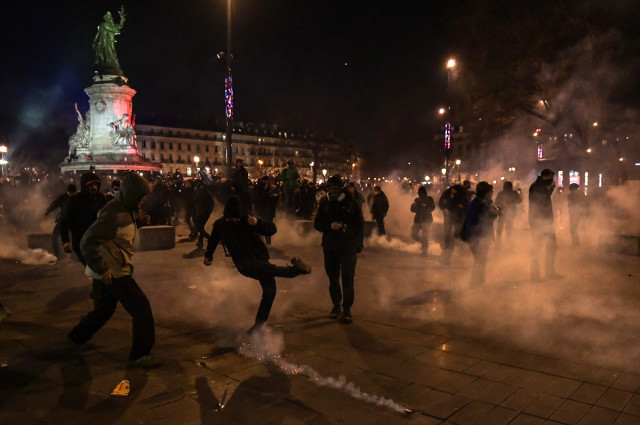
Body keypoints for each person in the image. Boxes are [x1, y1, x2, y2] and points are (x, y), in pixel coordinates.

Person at [69, 172, 158, 368]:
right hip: (114, 271)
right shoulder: (113, 213)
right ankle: (140, 354)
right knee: (141, 307)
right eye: (142, 197)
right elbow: (87, 241)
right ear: (133, 194)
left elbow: (118, 235)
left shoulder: (124, 210)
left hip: (113, 268)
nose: (144, 201)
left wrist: (139, 224)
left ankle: (76, 336)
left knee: (104, 310)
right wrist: (102, 268)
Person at [204, 196, 311, 332]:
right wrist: (209, 255)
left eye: (236, 218)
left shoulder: (248, 220)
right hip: (244, 263)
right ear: (226, 215)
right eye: (231, 218)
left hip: (259, 257)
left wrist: (258, 224)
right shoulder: (220, 225)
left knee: (270, 290)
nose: (234, 220)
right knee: (270, 270)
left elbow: (272, 229)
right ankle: (297, 271)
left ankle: (259, 324)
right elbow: (213, 240)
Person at [314, 175, 364, 324]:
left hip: (348, 247)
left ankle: (347, 307)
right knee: (333, 278)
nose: (333, 191)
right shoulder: (324, 203)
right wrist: (330, 226)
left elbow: (359, 226)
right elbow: (317, 223)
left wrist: (358, 246)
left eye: (335, 188)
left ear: (341, 189)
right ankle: (336, 305)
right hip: (330, 247)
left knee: (348, 278)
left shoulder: (352, 203)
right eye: (330, 188)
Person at [60, 172, 108, 266]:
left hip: (99, 241)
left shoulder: (101, 198)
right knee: (98, 270)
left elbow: (108, 217)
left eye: (95, 184)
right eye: (90, 185)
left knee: (103, 273)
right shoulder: (75, 200)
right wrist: (65, 241)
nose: (93, 187)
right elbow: (65, 221)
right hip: (82, 242)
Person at [461, 182, 501, 287]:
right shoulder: (474, 204)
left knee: (481, 260)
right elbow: (475, 219)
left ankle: (478, 282)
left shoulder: (488, 202)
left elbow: (491, 217)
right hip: (476, 237)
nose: (492, 194)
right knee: (480, 260)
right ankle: (475, 283)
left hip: (485, 236)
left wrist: (495, 212)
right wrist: (489, 212)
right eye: (490, 192)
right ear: (484, 193)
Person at [529, 169, 560, 279]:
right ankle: (535, 273)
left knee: (551, 246)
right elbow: (540, 200)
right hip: (538, 221)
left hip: (546, 221)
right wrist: (550, 188)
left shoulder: (541, 186)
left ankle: (549, 271)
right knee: (537, 247)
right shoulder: (536, 186)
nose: (552, 180)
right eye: (550, 178)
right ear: (544, 176)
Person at [438, 184, 468, 264]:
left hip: (458, 218)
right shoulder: (446, 193)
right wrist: (444, 209)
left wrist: (453, 199)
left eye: (455, 190)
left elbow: (464, 206)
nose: (453, 191)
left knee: (457, 235)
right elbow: (440, 203)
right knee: (447, 233)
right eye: (452, 190)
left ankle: (459, 251)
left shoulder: (462, 196)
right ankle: (447, 250)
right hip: (448, 217)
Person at [44, 183, 77, 258]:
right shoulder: (63, 197)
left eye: (72, 193)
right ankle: (57, 254)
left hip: (74, 221)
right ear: (68, 191)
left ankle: (74, 255)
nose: (71, 195)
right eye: (70, 193)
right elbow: (55, 204)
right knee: (54, 237)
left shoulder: (77, 198)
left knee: (74, 238)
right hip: (63, 221)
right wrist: (48, 210)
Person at [93, 7, 126, 76]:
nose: (109, 18)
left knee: (112, 55)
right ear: (105, 18)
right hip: (103, 43)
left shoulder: (110, 25)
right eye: (108, 17)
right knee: (105, 56)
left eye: (110, 17)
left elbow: (119, 26)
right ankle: (106, 68)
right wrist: (94, 41)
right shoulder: (103, 25)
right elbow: (98, 34)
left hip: (110, 43)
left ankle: (112, 68)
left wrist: (122, 18)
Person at [253, 176, 280, 246]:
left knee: (266, 226)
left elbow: (275, 199)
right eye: (268, 181)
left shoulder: (272, 188)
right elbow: (260, 199)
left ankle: (267, 242)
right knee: (263, 226)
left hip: (267, 211)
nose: (269, 183)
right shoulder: (260, 188)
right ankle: (263, 242)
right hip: (263, 211)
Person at [410, 186, 435, 256]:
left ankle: (424, 252)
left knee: (425, 236)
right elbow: (412, 209)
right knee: (414, 234)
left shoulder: (429, 199)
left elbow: (433, 207)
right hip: (418, 219)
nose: (420, 194)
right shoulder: (417, 200)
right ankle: (424, 242)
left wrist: (426, 209)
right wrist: (414, 205)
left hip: (426, 219)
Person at [193, 181, 215, 248]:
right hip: (205, 213)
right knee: (201, 227)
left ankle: (211, 239)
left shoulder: (201, 193)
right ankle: (200, 241)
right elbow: (212, 203)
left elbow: (195, 201)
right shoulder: (207, 192)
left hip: (202, 213)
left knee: (199, 228)